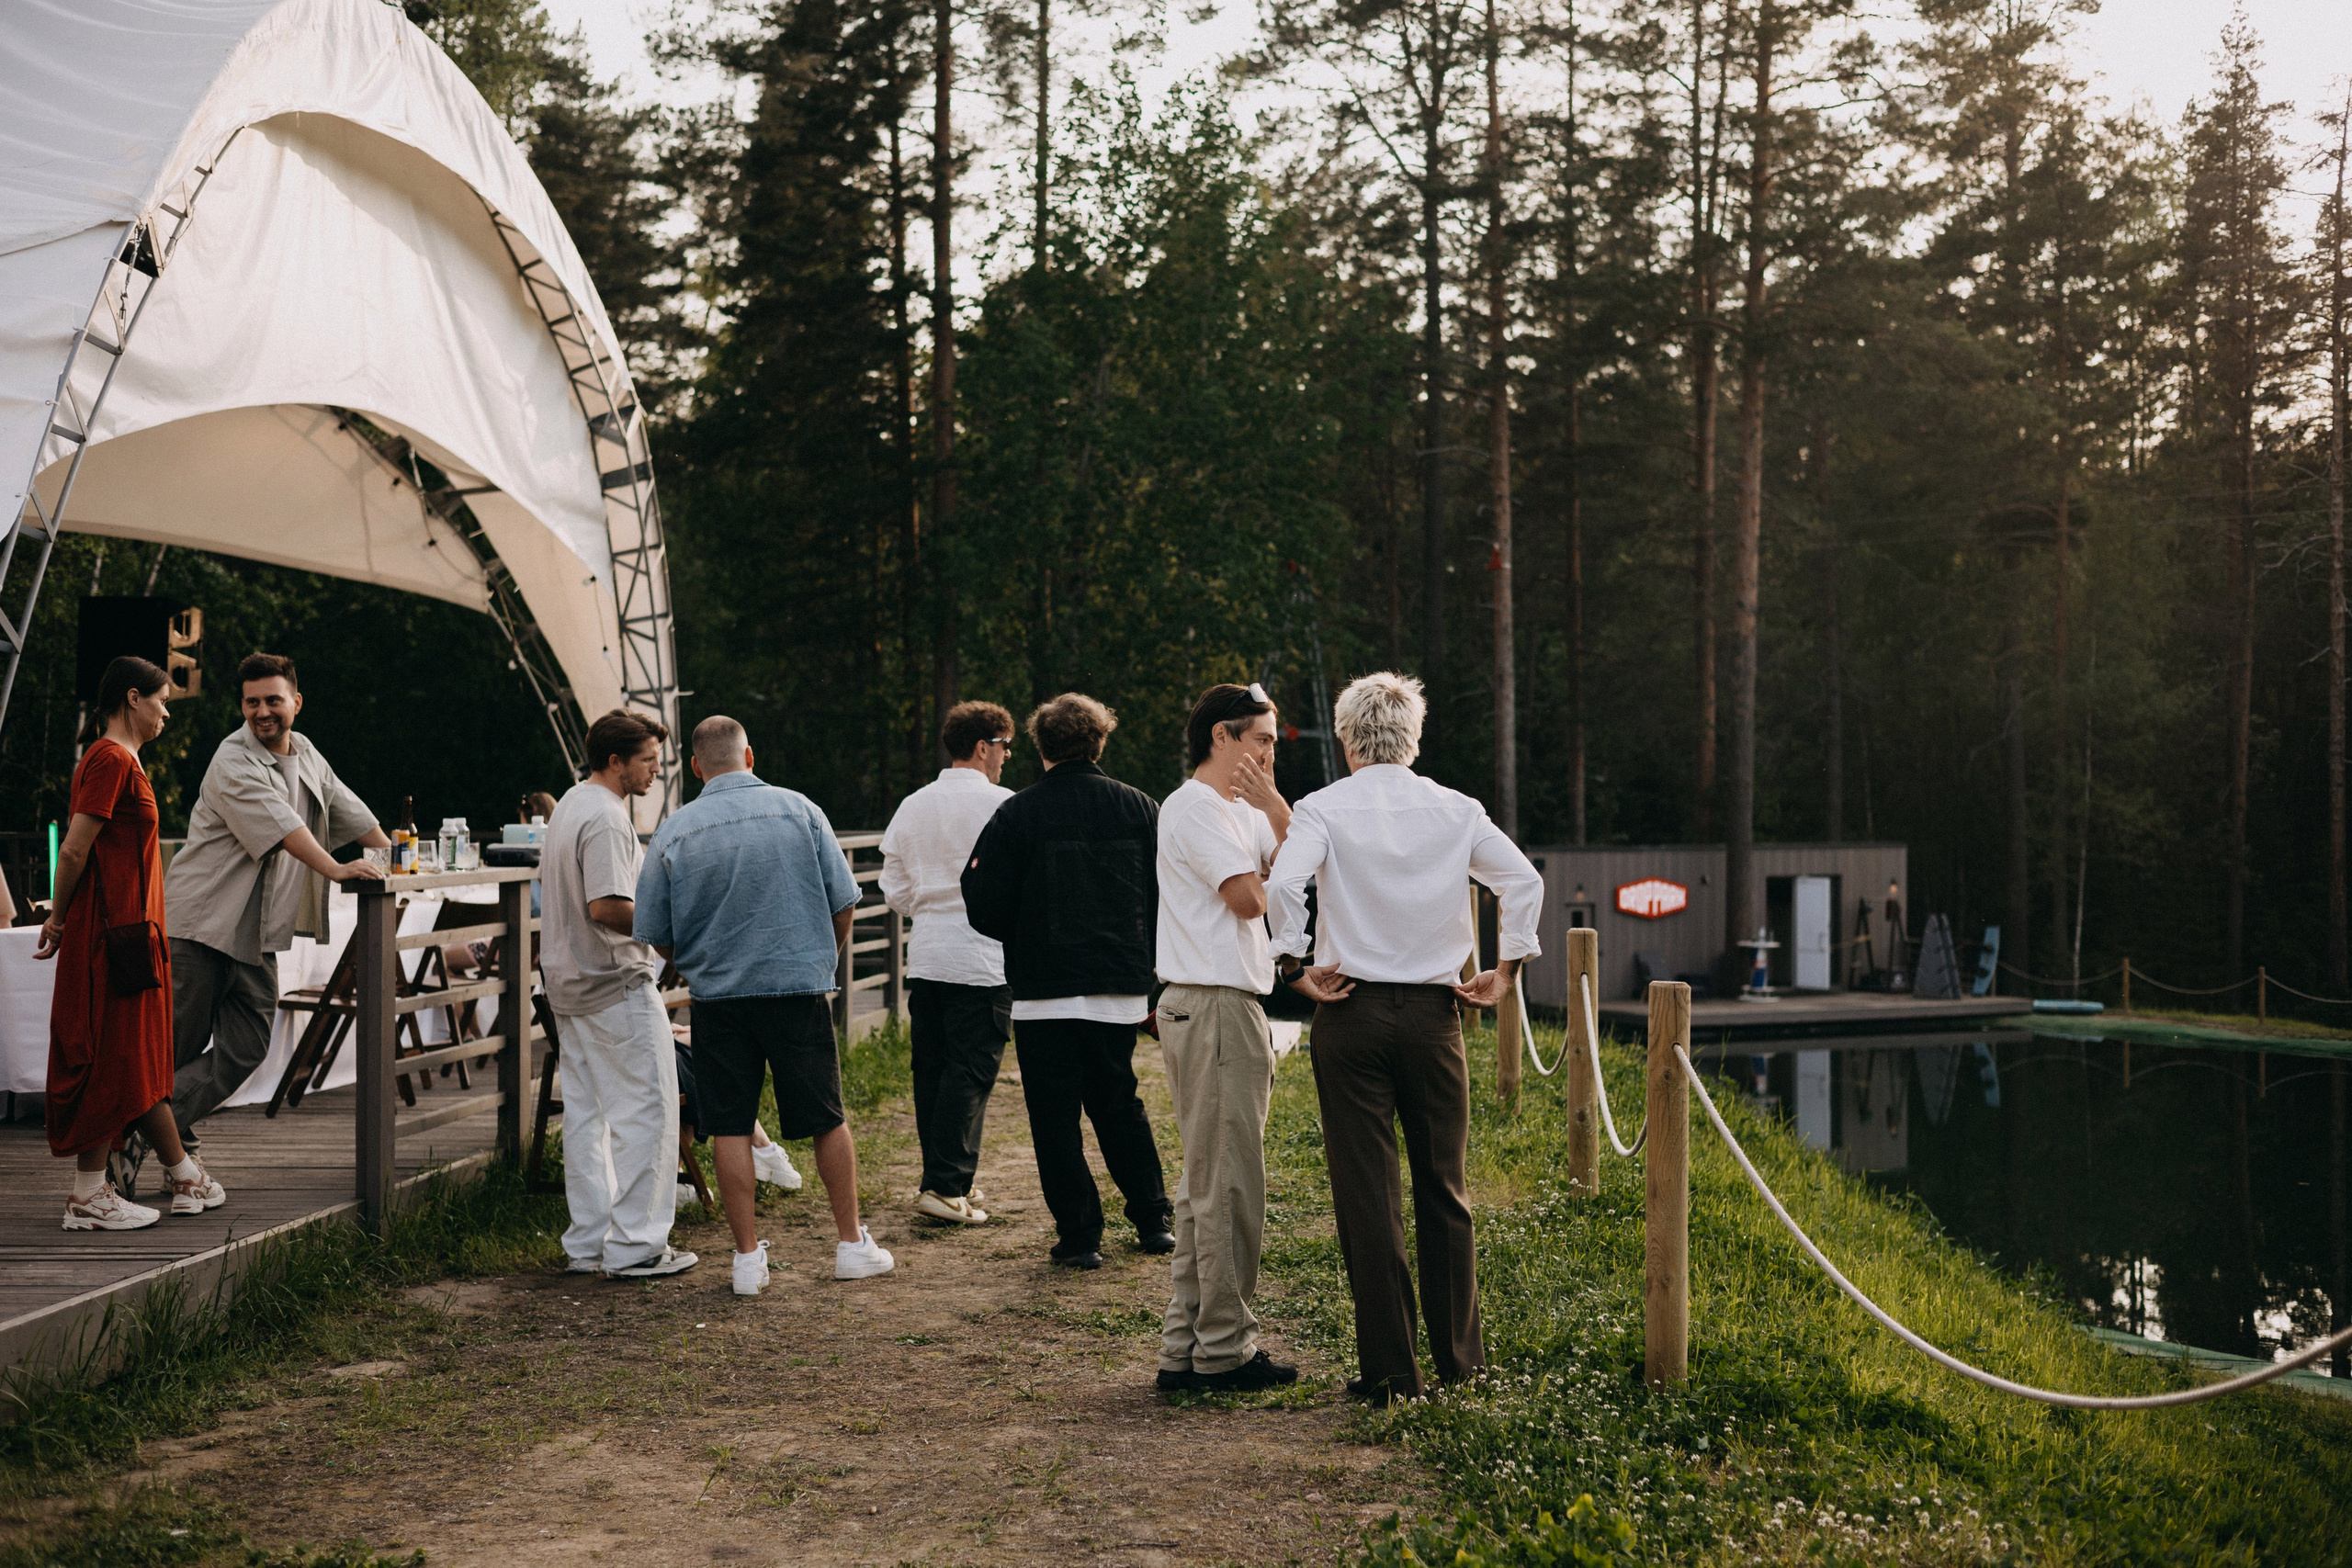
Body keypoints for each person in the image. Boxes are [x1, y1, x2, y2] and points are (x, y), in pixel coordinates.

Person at [1266, 671, 1543, 1404]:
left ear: (1350, 739)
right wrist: (1506, 969)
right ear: (1413, 738)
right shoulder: (1457, 809)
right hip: (1433, 1017)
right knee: (1443, 1189)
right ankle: (1461, 1361)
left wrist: (1293, 963)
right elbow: (1522, 882)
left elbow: (1282, 886)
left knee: (1368, 1195)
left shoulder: (1321, 806)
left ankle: (1392, 1374)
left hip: (1349, 1015)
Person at [636, 716, 895, 1296]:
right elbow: (844, 900)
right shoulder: (800, 810)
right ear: (749, 757)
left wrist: (699, 961)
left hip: (718, 998)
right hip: (795, 988)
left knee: (728, 1122)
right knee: (826, 1116)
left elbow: (655, 931)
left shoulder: (674, 832)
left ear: (697, 767)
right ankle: (851, 1243)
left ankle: (747, 1260)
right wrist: (817, 958)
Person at [962, 694, 1174, 1271]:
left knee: (1054, 1119)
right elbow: (1166, 895)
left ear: (1040, 745)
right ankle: (1153, 1220)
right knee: (1119, 1104)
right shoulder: (1140, 808)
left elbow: (980, 901)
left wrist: (1023, 934)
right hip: (1119, 985)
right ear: (1100, 741)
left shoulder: (1017, 814)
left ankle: (1080, 1236)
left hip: (1042, 991)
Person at [162, 653, 387, 1161]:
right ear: (242, 705)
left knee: (246, 1046)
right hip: (201, 924)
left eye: (273, 700)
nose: (262, 711)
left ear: (296, 703)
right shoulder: (231, 760)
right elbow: (284, 827)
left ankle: (154, 1130)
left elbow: (354, 815)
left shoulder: (306, 752)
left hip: (255, 932)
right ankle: (127, 1167)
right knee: (176, 1048)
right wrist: (338, 868)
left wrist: (398, 863)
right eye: (252, 701)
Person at [37, 657, 227, 1230]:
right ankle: (92, 1194)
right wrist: (59, 920)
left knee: (135, 1057)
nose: (167, 711)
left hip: (129, 934)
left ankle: (179, 1174)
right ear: (132, 699)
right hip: (110, 936)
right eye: (161, 700)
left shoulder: (122, 761)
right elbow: (73, 850)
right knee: (115, 1055)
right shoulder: (110, 760)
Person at [1151, 682, 1299, 1393]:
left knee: (1205, 1184)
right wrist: (1276, 827)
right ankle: (1226, 1350)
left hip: (1225, 1002)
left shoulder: (1239, 810)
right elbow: (1250, 899)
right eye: (1262, 739)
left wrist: (1274, 819)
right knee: (1230, 1185)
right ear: (1221, 736)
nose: (1271, 752)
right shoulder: (1197, 808)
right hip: (1211, 1004)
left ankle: (1187, 1348)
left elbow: (1302, 873)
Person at [540, 709, 697, 1279]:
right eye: (649, 761)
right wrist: (672, 933)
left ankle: (590, 1243)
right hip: (613, 983)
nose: (656, 771)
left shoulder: (571, 803)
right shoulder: (605, 817)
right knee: (648, 1111)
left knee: (588, 1118)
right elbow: (606, 906)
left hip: (569, 983)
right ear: (616, 761)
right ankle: (637, 1246)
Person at [880, 700, 1016, 1225]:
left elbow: (893, 887)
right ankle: (943, 1185)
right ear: (983, 747)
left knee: (933, 1071)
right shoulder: (1004, 805)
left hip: (930, 953)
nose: (1007, 757)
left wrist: (931, 911)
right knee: (972, 1069)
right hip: (983, 957)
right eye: (1004, 746)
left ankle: (950, 1176)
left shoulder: (913, 805)